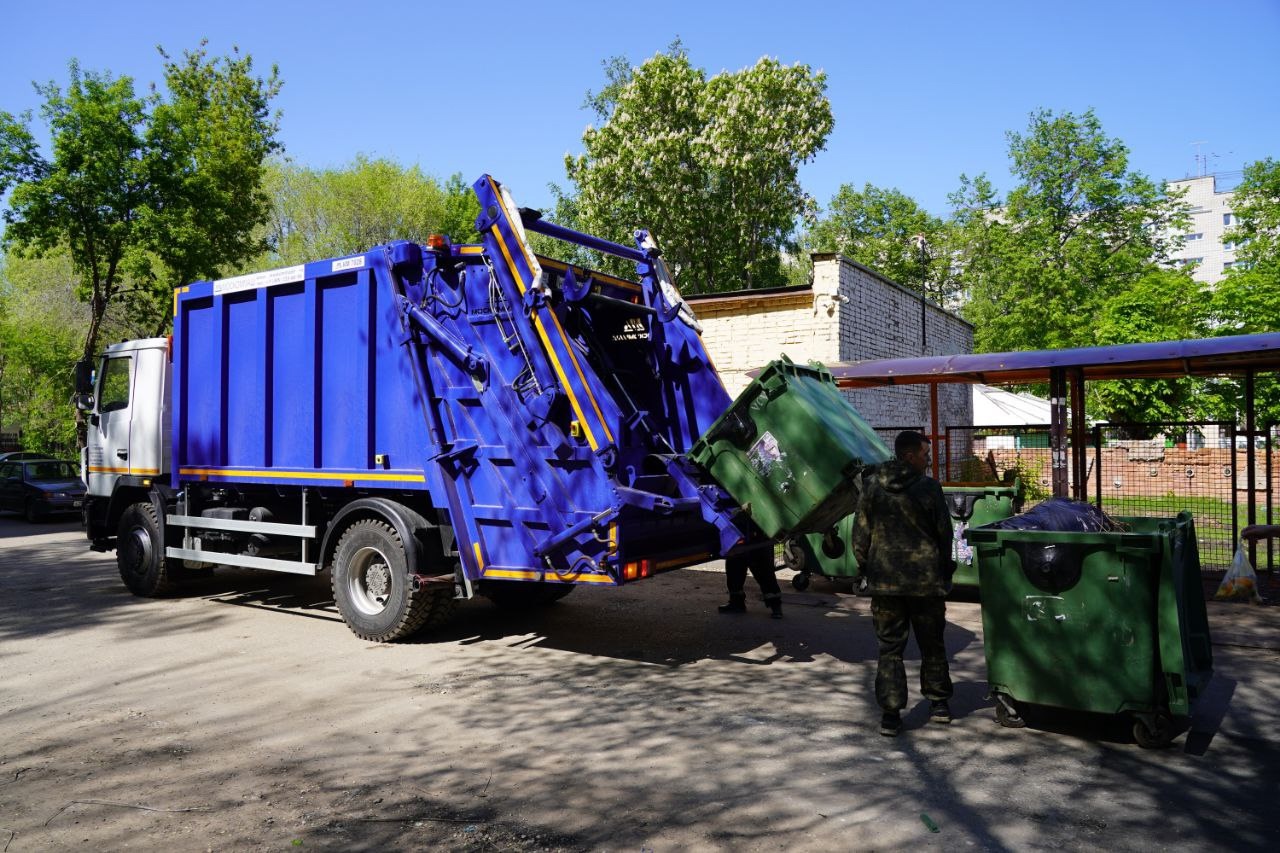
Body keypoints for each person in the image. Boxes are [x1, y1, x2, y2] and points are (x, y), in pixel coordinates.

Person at [851, 430, 955, 736]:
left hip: (886, 584)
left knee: (890, 649)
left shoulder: (872, 487)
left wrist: (866, 568)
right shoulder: (929, 488)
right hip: (925, 583)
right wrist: (944, 570)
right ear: (909, 456)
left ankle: (891, 714)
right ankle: (939, 703)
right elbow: (944, 533)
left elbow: (860, 535)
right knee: (932, 644)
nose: (928, 461)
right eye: (925, 455)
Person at [718, 544, 783, 619]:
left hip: (754, 543)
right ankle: (736, 603)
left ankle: (775, 605)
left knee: (764, 572)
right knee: (734, 570)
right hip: (740, 544)